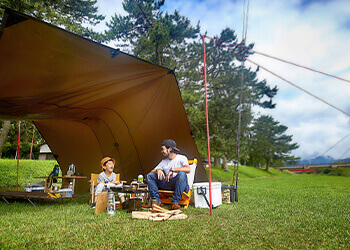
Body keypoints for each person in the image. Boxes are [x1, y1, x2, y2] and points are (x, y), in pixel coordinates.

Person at [146, 139, 190, 210]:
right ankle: (156, 201)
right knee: (150, 176)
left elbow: (188, 169)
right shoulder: (164, 161)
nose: (161, 151)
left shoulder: (181, 158)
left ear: (169, 149)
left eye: (163, 149)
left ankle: (175, 203)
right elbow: (151, 172)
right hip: (167, 183)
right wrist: (158, 170)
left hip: (179, 184)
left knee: (182, 174)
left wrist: (173, 170)